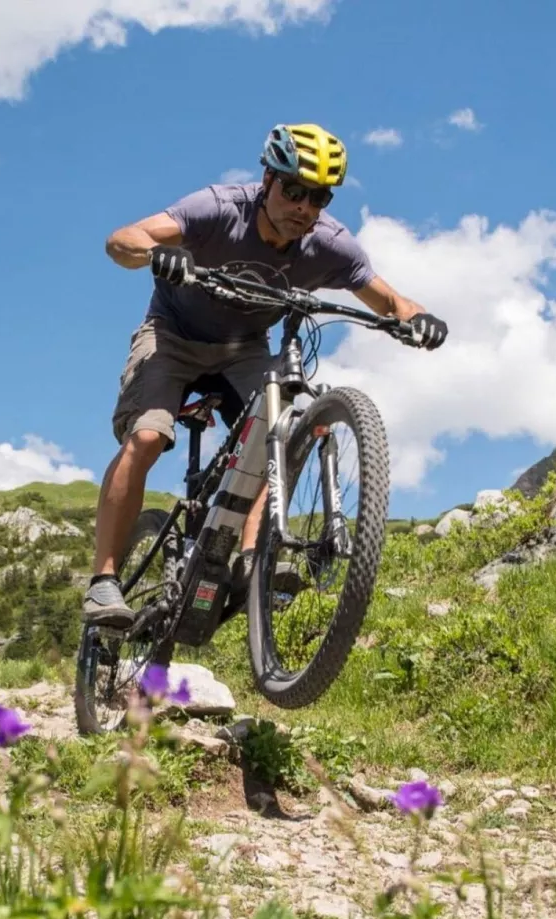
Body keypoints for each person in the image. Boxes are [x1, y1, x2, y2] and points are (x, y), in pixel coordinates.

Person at [82, 122, 449, 627]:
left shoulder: (331, 245)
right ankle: (103, 582)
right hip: (171, 337)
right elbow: (123, 239)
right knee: (147, 438)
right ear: (268, 180)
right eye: (294, 190)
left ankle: (254, 560)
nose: (304, 207)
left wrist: (416, 320)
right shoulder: (218, 208)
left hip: (243, 350)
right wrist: (154, 253)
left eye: (318, 197)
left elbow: (388, 299)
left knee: (278, 432)